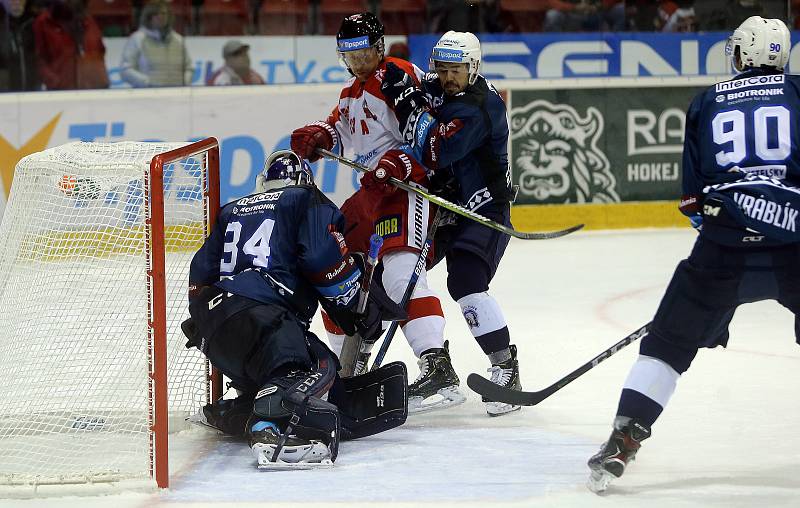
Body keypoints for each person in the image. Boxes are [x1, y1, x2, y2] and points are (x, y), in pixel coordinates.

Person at [586, 16, 800, 493]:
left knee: (667, 346)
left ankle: (623, 439)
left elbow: (693, 200)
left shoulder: (708, 100)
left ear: (742, 54)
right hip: (795, 244)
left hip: (723, 248)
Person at [183, 150, 409, 468]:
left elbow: (199, 274)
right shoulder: (304, 199)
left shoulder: (231, 210)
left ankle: (232, 413)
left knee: (293, 365)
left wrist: (209, 321)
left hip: (213, 327)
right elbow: (319, 258)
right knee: (316, 367)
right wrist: (351, 306)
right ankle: (268, 428)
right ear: (305, 181)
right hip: (263, 319)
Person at [289, 12, 465, 414]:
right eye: (349, 54)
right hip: (370, 192)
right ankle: (343, 370)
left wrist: (403, 163)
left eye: (364, 51)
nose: (358, 60)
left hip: (405, 189)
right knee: (336, 271)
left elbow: (427, 130)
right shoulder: (349, 93)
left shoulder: (400, 74)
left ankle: (438, 366)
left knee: (403, 273)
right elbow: (339, 128)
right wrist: (320, 135)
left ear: (379, 47)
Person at [379, 31, 522, 416]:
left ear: (473, 67)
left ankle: (506, 367)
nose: (447, 77)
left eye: (455, 70)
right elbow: (406, 81)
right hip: (445, 208)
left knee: (466, 281)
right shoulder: (441, 86)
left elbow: (436, 151)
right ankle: (437, 368)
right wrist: (393, 80)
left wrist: (408, 104)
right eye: (441, 70)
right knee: (394, 275)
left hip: (482, 209)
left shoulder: (479, 106)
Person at [32, 0, 108, 90]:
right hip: (62, 93)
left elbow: (100, 50)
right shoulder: (43, 23)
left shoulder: (88, 21)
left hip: (94, 90)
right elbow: (38, 60)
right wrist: (55, 82)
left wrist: (100, 79)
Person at [120, 0, 192, 88]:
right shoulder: (137, 39)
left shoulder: (178, 40)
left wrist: (184, 82)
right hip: (148, 95)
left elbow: (189, 67)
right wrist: (148, 83)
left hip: (177, 94)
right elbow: (126, 70)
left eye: (163, 13)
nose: (160, 17)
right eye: (155, 14)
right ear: (148, 17)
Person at [0, 0, 40, 91]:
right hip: (5, 95)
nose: (16, 1)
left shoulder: (35, 23)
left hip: (33, 91)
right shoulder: (2, 26)